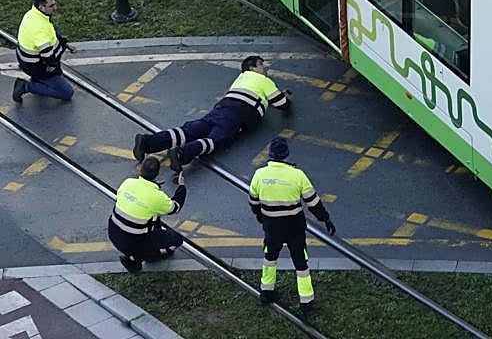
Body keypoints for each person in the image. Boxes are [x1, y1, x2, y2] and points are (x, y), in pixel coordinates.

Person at [132, 55, 291, 171]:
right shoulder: (263, 80)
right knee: (216, 138)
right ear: (252, 68)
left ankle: (148, 142)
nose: (265, 69)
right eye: (261, 65)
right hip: (239, 113)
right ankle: (182, 154)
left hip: (223, 107)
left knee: (192, 129)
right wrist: (285, 97)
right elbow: (281, 103)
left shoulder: (241, 78)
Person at [250, 137, 334, 317]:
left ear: (270, 155)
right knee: (300, 263)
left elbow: (253, 201)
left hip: (271, 226)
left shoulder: (259, 175)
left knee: (270, 257)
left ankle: (266, 291)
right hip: (294, 226)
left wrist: (261, 217)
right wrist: (325, 219)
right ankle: (306, 300)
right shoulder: (298, 175)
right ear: (286, 155)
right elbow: (313, 203)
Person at [108, 156, 186, 273]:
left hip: (113, 234)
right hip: (135, 242)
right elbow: (175, 207)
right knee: (177, 240)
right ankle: (138, 258)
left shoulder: (127, 183)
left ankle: (133, 255)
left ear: (140, 169)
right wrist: (181, 187)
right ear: (158, 173)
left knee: (150, 216)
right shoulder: (157, 197)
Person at [12, 0, 74, 103]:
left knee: (56, 77)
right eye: (51, 6)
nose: (55, 8)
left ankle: (38, 81)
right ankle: (25, 87)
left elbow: (50, 33)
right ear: (41, 7)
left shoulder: (34, 14)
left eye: (54, 4)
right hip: (38, 66)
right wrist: (53, 65)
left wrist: (63, 43)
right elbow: (46, 53)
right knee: (67, 92)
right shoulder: (38, 27)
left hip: (30, 61)